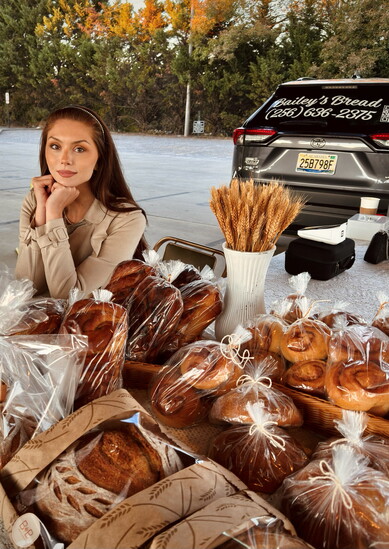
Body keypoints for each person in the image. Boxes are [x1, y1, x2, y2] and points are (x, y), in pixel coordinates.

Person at [14, 105, 147, 298]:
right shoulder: (35, 200)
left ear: (100, 159)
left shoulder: (127, 220)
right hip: (37, 322)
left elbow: (68, 297)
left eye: (79, 149)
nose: (64, 159)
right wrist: (42, 215)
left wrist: (54, 215)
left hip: (92, 325)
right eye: (55, 146)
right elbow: (25, 288)